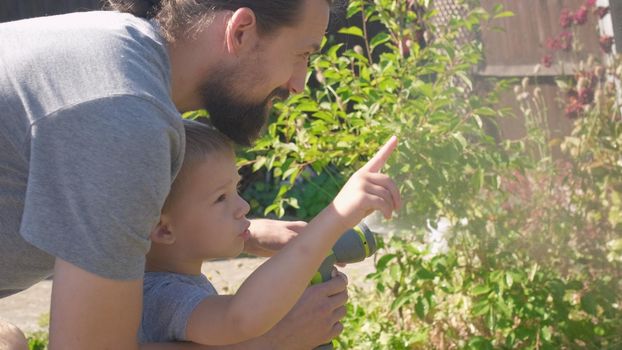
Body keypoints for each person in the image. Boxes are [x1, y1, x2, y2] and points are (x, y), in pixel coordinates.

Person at [0, 0, 359, 349]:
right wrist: (269, 341)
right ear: (241, 31)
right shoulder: (123, 113)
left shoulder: (115, 54)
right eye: (302, 55)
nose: (299, 83)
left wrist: (250, 234)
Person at [139, 119, 400, 346]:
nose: (244, 207)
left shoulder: (159, 281)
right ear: (163, 229)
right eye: (221, 198)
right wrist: (335, 217)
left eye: (236, 190)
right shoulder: (162, 296)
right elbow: (238, 318)